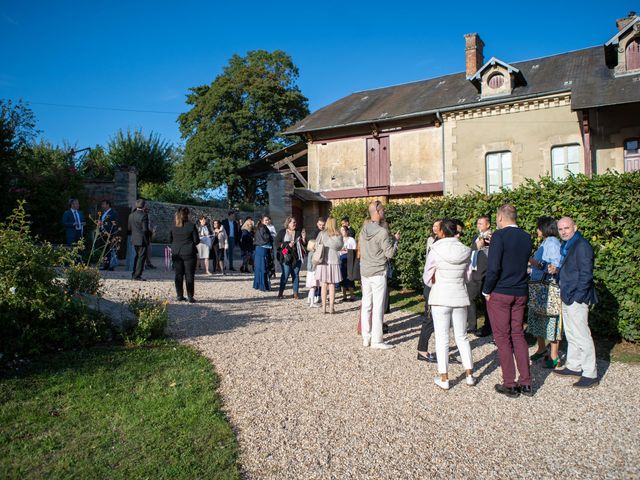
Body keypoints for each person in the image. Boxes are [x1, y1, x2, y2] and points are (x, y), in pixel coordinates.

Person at [482, 204, 534, 397]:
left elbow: (494, 267)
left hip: (501, 291)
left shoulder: (499, 236)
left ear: (501, 218)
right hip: (520, 290)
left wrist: (486, 290)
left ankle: (510, 383)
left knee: (503, 338)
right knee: (518, 334)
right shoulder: (526, 236)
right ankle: (526, 382)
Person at [424, 219, 475, 390]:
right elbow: (468, 277)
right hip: (459, 295)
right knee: (462, 336)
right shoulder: (466, 250)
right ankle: (469, 374)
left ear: (443, 232)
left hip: (440, 296)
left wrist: (435, 283)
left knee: (442, 337)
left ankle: (444, 377)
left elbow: (427, 276)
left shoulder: (435, 249)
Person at [548, 217, 599, 388]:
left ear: (575, 227)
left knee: (582, 333)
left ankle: (590, 373)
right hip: (567, 294)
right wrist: (557, 270)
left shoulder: (582, 245)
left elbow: (586, 274)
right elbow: (570, 269)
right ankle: (574, 365)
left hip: (576, 297)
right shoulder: (567, 245)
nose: (563, 231)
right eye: (560, 229)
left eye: (566, 228)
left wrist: (578, 297)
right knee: (570, 332)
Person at [359, 201, 400, 350]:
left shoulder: (363, 229)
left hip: (365, 271)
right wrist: (395, 241)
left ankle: (366, 336)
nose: (384, 212)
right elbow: (389, 254)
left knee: (366, 305)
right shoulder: (382, 232)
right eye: (382, 210)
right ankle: (377, 340)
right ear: (377, 211)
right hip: (377, 271)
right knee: (378, 306)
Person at [527, 216, 563, 369]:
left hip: (547, 288)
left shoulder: (553, 243)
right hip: (538, 287)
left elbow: (554, 266)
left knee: (551, 319)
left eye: (538, 227)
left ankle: (554, 356)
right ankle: (542, 348)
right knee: (537, 318)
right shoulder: (546, 242)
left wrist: (533, 262)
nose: (537, 230)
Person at [417, 219, 443, 363]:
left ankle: (441, 350)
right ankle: (422, 349)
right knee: (430, 318)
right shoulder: (434, 244)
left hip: (442, 287)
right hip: (433, 285)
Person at [467, 215, 492, 336]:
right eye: (477, 223)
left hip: (485, 273)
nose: (478, 226)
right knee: (470, 298)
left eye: (481, 224)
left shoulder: (492, 237)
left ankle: (488, 328)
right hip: (474, 272)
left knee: (486, 302)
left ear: (488, 225)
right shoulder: (476, 237)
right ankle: (472, 325)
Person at [169, 207, 200, 303]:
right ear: (187, 215)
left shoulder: (173, 226)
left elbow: (169, 240)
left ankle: (179, 295)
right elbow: (196, 241)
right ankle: (190, 296)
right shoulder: (191, 226)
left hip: (176, 253)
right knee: (189, 275)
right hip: (189, 253)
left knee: (178, 275)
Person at [315, 217, 344, 314]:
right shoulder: (338, 235)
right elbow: (340, 247)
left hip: (323, 261)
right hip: (334, 260)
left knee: (323, 284)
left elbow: (316, 246)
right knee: (331, 285)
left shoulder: (322, 234)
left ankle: (323, 308)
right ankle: (331, 307)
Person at [274, 217, 307, 299]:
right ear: (288, 223)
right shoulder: (282, 232)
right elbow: (276, 243)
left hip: (296, 257)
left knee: (295, 275)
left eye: (295, 222)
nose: (295, 224)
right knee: (285, 274)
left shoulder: (298, 232)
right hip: (286, 256)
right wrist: (287, 245)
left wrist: (303, 238)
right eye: (293, 222)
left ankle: (295, 293)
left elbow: (304, 245)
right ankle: (280, 293)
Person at [128, 199, 150, 281]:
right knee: (141, 257)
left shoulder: (131, 215)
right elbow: (145, 229)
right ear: (144, 206)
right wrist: (148, 238)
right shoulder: (144, 215)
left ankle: (134, 273)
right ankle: (137, 275)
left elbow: (129, 228)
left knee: (137, 256)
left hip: (134, 238)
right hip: (142, 239)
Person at [98, 199, 119, 271]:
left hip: (109, 234)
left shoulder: (113, 213)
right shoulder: (104, 213)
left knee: (109, 250)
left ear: (108, 205)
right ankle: (105, 265)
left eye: (103, 204)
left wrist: (113, 234)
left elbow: (115, 224)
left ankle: (110, 265)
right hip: (103, 234)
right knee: (104, 250)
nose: (102, 205)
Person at [253, 219, 273, 292]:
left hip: (258, 249)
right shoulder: (263, 227)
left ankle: (257, 285)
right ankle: (263, 286)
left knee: (259, 268)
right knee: (263, 267)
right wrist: (271, 236)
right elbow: (266, 238)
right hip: (263, 249)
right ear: (262, 221)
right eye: (266, 220)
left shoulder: (258, 227)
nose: (267, 221)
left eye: (268, 220)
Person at [338, 225, 357, 301]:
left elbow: (354, 249)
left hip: (349, 258)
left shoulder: (351, 239)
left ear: (346, 231)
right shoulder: (339, 239)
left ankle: (352, 295)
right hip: (341, 259)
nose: (341, 232)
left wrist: (347, 249)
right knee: (342, 277)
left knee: (349, 277)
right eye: (341, 230)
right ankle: (344, 296)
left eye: (343, 230)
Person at [304, 239, 321, 307]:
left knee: (312, 288)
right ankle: (312, 303)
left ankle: (309, 300)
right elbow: (313, 263)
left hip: (310, 272)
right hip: (313, 271)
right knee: (313, 287)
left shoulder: (310, 253)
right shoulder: (313, 253)